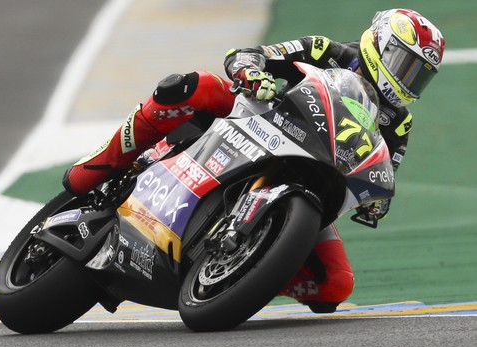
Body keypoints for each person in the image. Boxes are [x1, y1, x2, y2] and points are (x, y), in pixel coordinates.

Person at [63, 9, 445, 313]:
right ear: (378, 44)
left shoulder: (399, 122)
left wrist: (377, 199)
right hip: (257, 120)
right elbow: (251, 54)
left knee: (336, 284)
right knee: (193, 86)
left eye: (419, 75)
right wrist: (252, 72)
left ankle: (252, 267)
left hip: (312, 172)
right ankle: (99, 165)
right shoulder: (325, 50)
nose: (407, 79)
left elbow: (385, 166)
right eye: (404, 63)